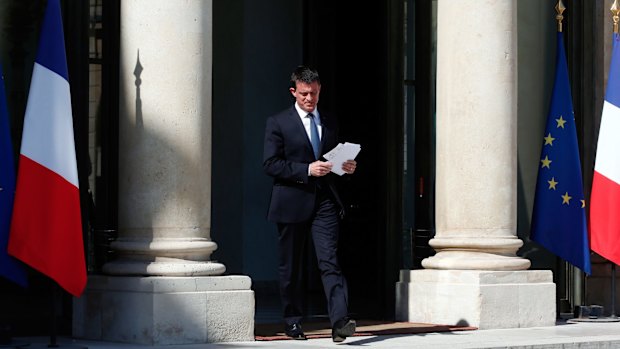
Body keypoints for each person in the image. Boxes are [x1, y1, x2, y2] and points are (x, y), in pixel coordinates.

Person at [263, 66, 357, 342]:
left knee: (329, 261)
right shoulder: (278, 122)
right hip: (291, 201)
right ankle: (292, 320)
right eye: (304, 94)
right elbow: (270, 164)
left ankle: (340, 321)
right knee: (290, 266)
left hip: (325, 201)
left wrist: (345, 166)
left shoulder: (328, 120)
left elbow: (331, 158)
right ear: (294, 92)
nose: (310, 99)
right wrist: (306, 169)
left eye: (314, 93)